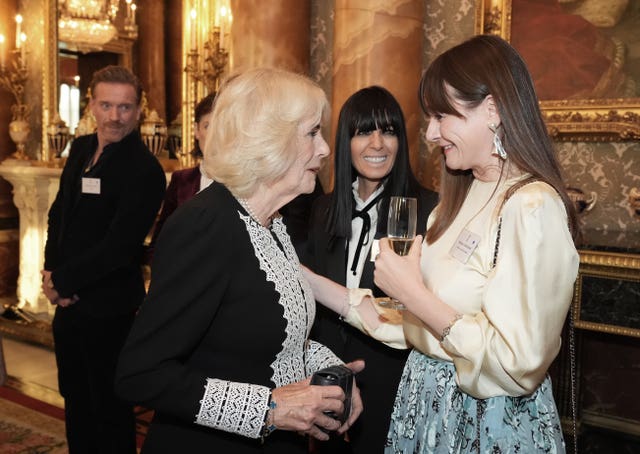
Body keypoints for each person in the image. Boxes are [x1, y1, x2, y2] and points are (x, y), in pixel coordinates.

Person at [304, 34, 581, 452]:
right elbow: (413, 323)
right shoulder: (456, 201)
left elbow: (518, 363)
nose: (430, 133)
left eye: (440, 116)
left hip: (486, 424)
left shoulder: (532, 206)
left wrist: (413, 293)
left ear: (492, 110)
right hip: (428, 411)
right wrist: (304, 278)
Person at [115, 67, 364, 454]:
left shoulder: (270, 223)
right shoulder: (206, 224)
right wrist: (269, 408)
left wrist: (332, 373)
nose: (325, 149)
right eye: (312, 132)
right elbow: (141, 374)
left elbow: (264, 335)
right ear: (271, 139)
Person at [302, 86, 438, 453]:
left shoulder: (427, 210)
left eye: (388, 131)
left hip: (394, 381)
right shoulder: (323, 210)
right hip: (329, 381)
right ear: (344, 141)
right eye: (364, 131)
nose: (377, 143)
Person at [41, 65, 166, 453]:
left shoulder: (145, 169)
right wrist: (50, 274)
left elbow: (120, 246)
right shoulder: (79, 149)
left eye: (125, 107)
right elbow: (59, 214)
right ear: (91, 105)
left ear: (139, 109)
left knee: (109, 408)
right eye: (107, 105)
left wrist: (65, 283)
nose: (115, 116)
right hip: (69, 302)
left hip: (109, 306)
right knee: (75, 399)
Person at [148, 92, 216, 251]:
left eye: (223, 127)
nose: (215, 136)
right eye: (208, 126)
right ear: (196, 130)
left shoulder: (246, 183)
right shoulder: (182, 180)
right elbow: (159, 243)